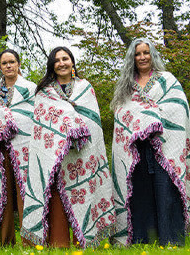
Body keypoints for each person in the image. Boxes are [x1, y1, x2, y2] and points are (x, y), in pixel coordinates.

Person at [21, 47, 115, 248]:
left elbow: (93, 123)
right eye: (57, 60)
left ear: (72, 62)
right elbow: (40, 127)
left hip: (83, 154)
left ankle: (84, 242)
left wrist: (75, 125)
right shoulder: (44, 92)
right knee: (56, 199)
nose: (61, 63)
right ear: (51, 65)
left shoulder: (85, 87)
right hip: (54, 155)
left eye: (65, 59)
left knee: (84, 194)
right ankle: (58, 243)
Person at [110, 38, 190, 246]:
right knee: (140, 193)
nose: (142, 57)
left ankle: (171, 239)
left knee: (166, 191)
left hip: (164, 147)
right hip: (137, 149)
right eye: (138, 54)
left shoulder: (167, 80)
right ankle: (142, 241)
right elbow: (122, 113)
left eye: (146, 53)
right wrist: (140, 121)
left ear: (152, 55)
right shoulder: (126, 86)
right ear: (132, 58)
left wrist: (150, 118)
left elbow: (179, 108)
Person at [0, 49, 36, 246]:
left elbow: (35, 116)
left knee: (26, 193)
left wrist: (11, 117)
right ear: (0, 67)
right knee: (2, 193)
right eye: (4, 63)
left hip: (25, 147)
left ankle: (30, 240)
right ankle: (5, 242)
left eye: (12, 62)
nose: (8, 66)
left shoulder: (30, 88)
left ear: (19, 64)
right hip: (0, 148)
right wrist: (3, 118)